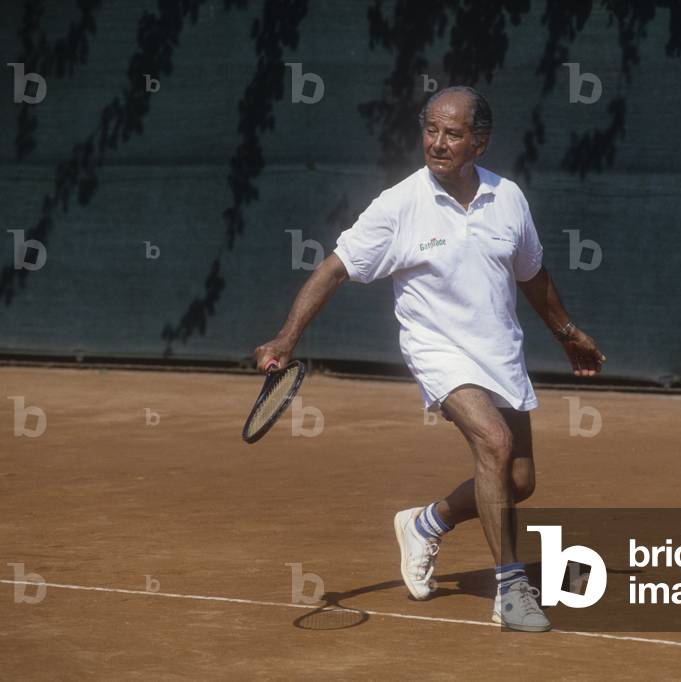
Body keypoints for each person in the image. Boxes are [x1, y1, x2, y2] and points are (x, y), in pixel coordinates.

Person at [254, 86, 606, 632]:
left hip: (498, 350)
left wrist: (567, 332)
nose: (438, 143)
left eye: (453, 134)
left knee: (518, 480)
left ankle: (425, 524)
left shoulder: (508, 198)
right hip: (437, 349)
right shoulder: (398, 206)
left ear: (479, 144)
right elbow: (335, 268)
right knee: (494, 442)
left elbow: (531, 275)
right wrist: (286, 337)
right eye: (431, 130)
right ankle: (511, 590)